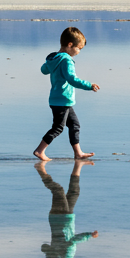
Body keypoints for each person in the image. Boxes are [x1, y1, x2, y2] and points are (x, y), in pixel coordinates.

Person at [32, 26, 99, 161]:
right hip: (62, 100)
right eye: (79, 48)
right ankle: (40, 150)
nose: (79, 51)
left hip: (58, 99)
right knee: (58, 128)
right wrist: (89, 86)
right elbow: (71, 79)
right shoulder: (67, 60)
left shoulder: (54, 59)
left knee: (74, 125)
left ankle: (78, 153)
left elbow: (44, 70)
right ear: (70, 45)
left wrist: (49, 61)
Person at [36, 159, 98, 258]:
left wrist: (88, 236)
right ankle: (78, 165)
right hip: (58, 219)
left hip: (62, 218)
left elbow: (72, 241)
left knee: (58, 190)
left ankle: (40, 169)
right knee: (74, 193)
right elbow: (44, 247)